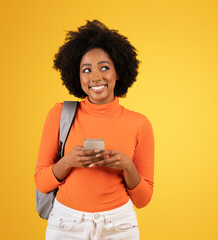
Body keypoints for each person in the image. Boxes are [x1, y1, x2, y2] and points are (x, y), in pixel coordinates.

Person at [34, 20, 154, 240]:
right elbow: (41, 181)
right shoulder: (60, 114)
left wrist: (127, 165)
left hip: (119, 225)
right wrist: (69, 161)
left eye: (105, 67)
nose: (95, 77)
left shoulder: (140, 124)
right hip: (66, 224)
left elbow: (143, 200)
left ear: (119, 72)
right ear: (77, 76)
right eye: (86, 70)